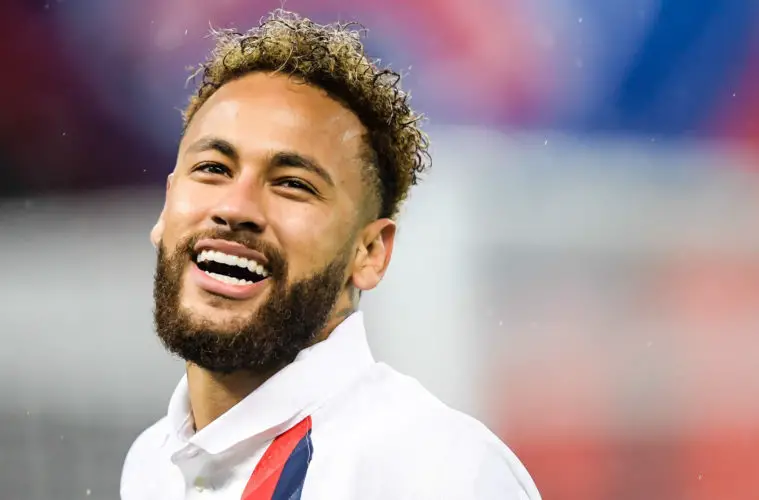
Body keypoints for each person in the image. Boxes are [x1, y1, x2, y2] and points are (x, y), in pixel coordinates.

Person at [120, 9, 540, 500]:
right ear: (167, 204)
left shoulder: (438, 474)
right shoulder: (150, 464)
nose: (234, 208)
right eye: (213, 168)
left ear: (370, 252)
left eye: (293, 184)